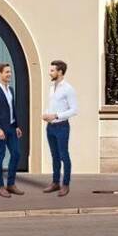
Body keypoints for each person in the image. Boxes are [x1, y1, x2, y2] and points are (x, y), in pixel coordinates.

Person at [0, 62, 24, 197]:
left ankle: (11, 184)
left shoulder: (11, 90)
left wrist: (17, 125)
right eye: (7, 72)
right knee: (0, 155)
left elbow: (13, 109)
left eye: (10, 72)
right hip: (1, 130)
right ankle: (1, 186)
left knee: (16, 154)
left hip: (12, 128)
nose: (9, 74)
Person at [41, 59, 78, 196]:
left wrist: (56, 116)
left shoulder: (68, 89)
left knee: (64, 155)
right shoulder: (52, 88)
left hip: (62, 127)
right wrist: (46, 113)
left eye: (52, 70)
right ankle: (55, 182)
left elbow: (74, 110)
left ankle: (65, 185)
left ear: (60, 72)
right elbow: (52, 106)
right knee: (54, 156)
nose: (49, 73)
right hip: (50, 127)